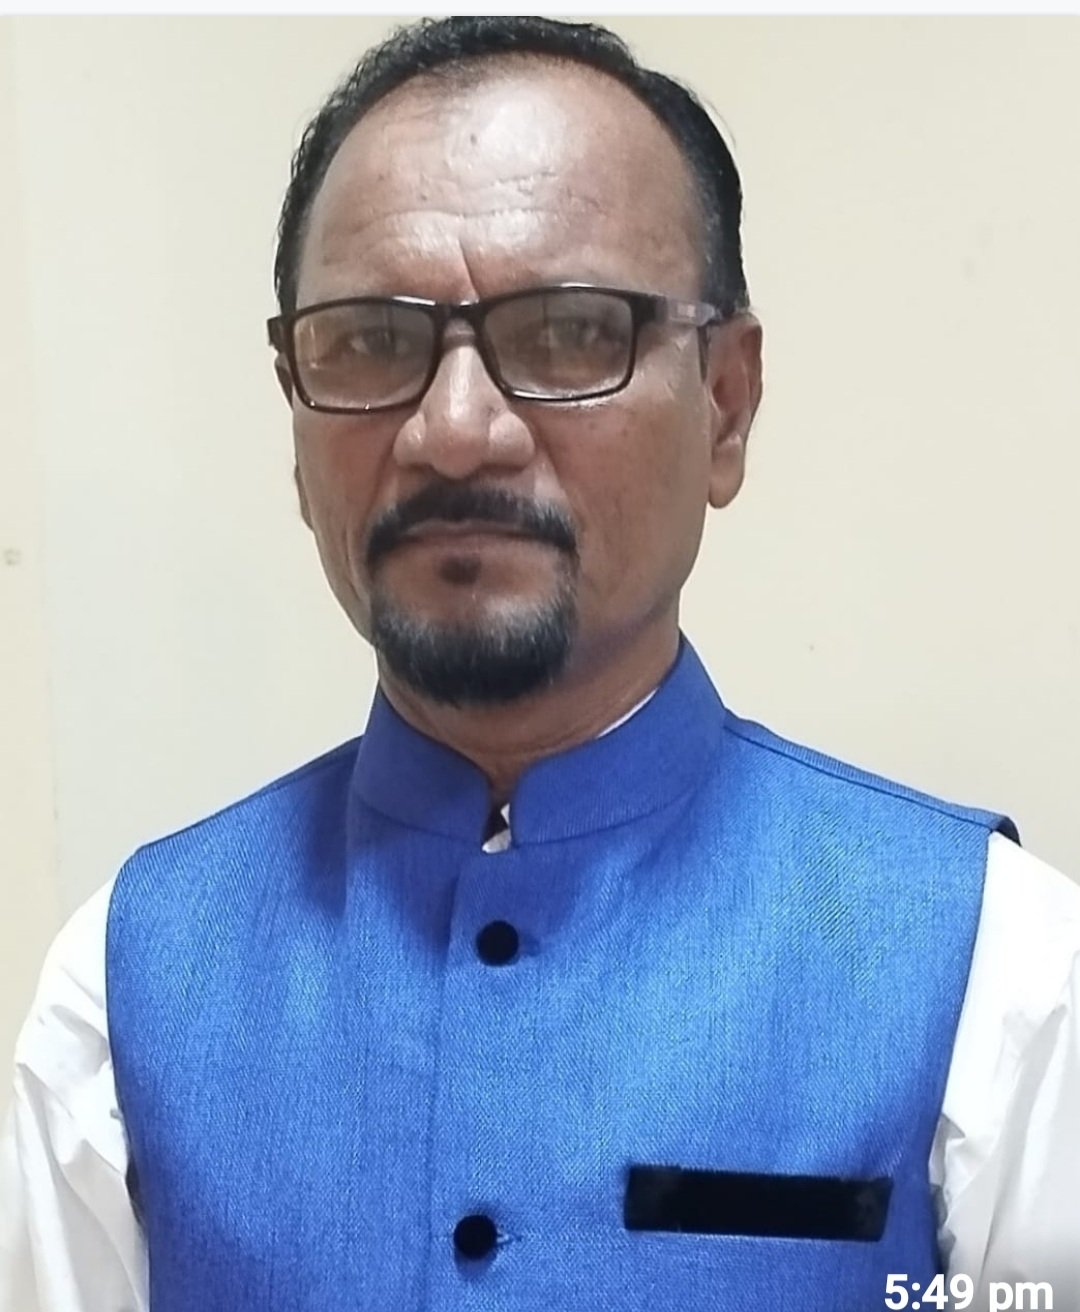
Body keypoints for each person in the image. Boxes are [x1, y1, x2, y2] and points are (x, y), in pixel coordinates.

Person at [3, 14, 1079, 1312]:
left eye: (569, 332)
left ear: (726, 403)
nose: (455, 431)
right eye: (370, 342)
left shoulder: (1001, 969)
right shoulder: (119, 991)